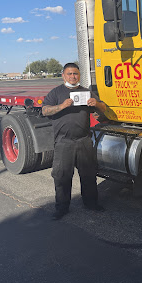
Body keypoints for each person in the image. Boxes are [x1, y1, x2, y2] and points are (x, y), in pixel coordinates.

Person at [42, 63, 107, 220]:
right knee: (62, 176)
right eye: (69, 74)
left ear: (79, 75)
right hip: (64, 142)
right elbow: (45, 111)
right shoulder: (56, 92)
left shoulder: (85, 92)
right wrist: (62, 106)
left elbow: (104, 108)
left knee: (89, 175)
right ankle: (62, 207)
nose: (73, 77)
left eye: (75, 74)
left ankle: (91, 203)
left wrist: (96, 104)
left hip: (84, 140)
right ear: (63, 75)